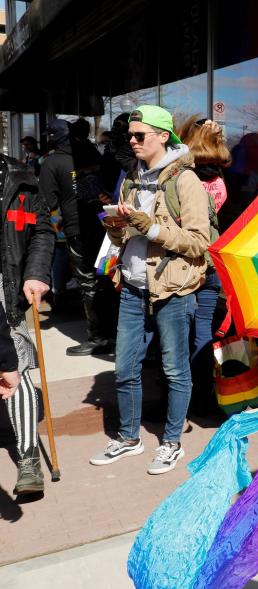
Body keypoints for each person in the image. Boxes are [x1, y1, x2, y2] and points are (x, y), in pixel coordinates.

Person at [88, 105, 210, 474]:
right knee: (124, 369)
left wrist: (151, 227)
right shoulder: (131, 177)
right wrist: (115, 228)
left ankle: (172, 443)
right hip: (132, 287)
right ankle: (129, 438)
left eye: (140, 135)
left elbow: (198, 243)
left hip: (173, 290)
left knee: (175, 371)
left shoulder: (185, 181)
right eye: (130, 136)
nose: (133, 141)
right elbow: (126, 235)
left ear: (163, 136)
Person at [0, 153, 55, 495]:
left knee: (14, 365)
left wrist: (35, 273)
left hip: (8, 287)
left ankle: (28, 456)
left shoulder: (22, 178)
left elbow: (43, 231)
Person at [38, 118, 111, 356]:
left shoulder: (52, 161)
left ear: (51, 137)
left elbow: (47, 202)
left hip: (77, 229)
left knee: (87, 281)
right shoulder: (91, 152)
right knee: (108, 278)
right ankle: (114, 334)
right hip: (105, 225)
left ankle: (98, 337)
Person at [177, 115, 230, 416]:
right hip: (212, 262)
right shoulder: (221, 177)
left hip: (185, 263)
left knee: (177, 331)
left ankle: (185, 394)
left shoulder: (183, 178)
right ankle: (205, 394)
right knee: (204, 331)